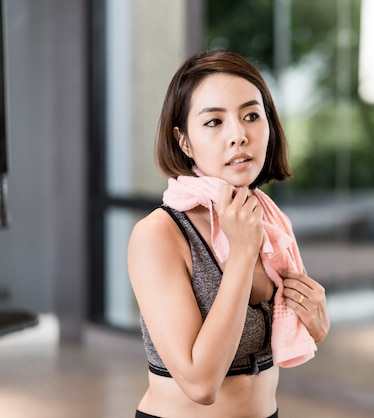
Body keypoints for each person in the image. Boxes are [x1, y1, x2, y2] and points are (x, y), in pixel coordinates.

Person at [128, 49, 330, 418]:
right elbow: (200, 384)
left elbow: (280, 340)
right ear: (184, 141)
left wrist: (315, 322)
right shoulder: (159, 235)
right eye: (214, 122)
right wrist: (240, 254)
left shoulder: (268, 221)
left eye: (251, 116)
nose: (238, 135)